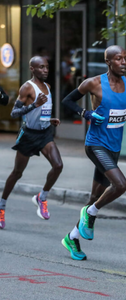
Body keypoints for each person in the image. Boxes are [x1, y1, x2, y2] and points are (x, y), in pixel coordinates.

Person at [61, 45, 126, 260]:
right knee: (120, 185)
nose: (124, 62)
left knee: (95, 196)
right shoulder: (94, 83)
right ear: (108, 62)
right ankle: (90, 213)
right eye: (118, 59)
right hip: (96, 144)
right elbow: (67, 101)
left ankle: (72, 237)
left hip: (114, 147)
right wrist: (86, 113)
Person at [0, 56, 63, 229]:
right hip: (28, 135)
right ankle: (2, 206)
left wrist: (49, 120)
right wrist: (34, 105)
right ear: (32, 69)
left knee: (58, 165)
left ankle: (41, 197)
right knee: (17, 173)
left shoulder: (48, 87)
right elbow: (14, 113)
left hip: (44, 134)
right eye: (41, 67)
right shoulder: (27, 87)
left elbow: (41, 112)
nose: (45, 70)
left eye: (47, 67)